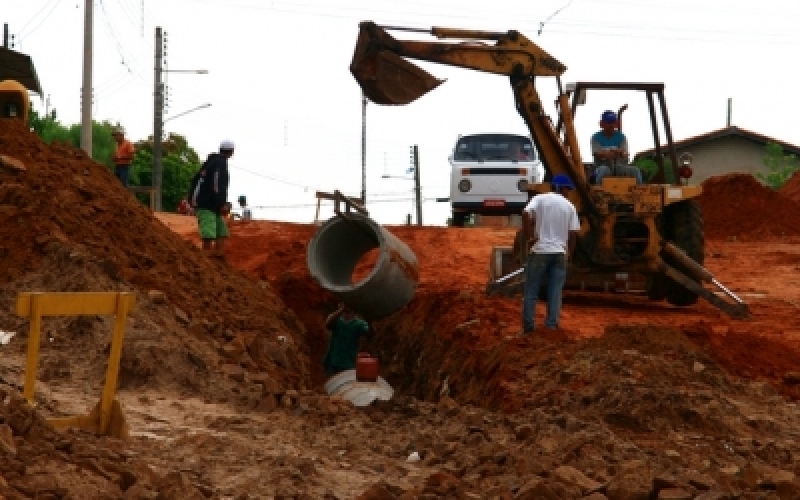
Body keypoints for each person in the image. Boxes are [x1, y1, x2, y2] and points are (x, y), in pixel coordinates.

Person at [521, 173, 581, 334]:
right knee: (555, 292)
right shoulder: (570, 207)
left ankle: (528, 328)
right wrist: (569, 254)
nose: (568, 192)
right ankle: (551, 326)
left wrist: (529, 238)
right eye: (567, 189)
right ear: (561, 188)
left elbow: (526, 214)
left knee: (531, 290)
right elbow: (573, 234)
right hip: (559, 254)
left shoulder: (540, 199)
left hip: (540, 250)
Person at [188, 140, 234, 253]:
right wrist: (222, 203)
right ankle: (207, 260)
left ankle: (218, 262)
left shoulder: (211, 162)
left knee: (221, 232)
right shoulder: (219, 163)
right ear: (231, 152)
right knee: (208, 235)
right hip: (206, 204)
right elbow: (216, 184)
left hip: (212, 204)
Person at [591, 110, 643, 185]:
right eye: (608, 122)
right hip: (603, 165)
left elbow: (624, 153)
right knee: (603, 170)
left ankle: (640, 192)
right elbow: (597, 153)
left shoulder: (621, 137)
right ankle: (597, 192)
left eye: (613, 122)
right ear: (601, 124)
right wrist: (615, 152)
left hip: (619, 167)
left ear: (616, 124)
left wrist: (613, 153)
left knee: (635, 170)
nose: (611, 125)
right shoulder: (595, 137)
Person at [322, 303, 373, 377]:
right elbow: (327, 324)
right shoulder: (336, 320)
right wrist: (341, 310)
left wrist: (369, 319)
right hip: (333, 362)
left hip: (348, 364)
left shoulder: (360, 324)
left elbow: (369, 334)